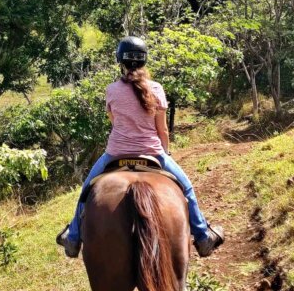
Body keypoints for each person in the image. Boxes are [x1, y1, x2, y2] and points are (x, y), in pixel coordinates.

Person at [56, 36, 224, 259]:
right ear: (144, 61)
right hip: (152, 152)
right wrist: (165, 152)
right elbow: (162, 130)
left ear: (120, 61)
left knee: (86, 191)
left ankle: (74, 238)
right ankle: (203, 237)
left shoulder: (112, 90)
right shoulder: (156, 88)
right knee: (187, 189)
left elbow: (115, 122)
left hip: (115, 153)